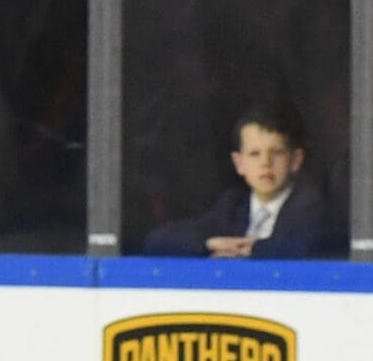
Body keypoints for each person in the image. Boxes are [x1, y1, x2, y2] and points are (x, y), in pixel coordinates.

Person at [140, 107, 341, 259]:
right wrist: (209, 243)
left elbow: (310, 248)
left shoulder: (311, 206)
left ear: (296, 160)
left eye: (276, 152)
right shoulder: (234, 204)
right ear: (239, 163)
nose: (265, 163)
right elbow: (157, 240)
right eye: (254, 154)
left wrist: (250, 250)